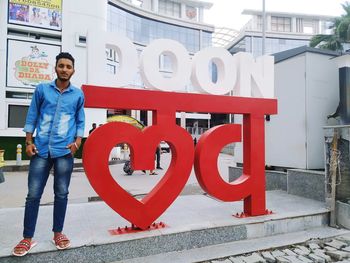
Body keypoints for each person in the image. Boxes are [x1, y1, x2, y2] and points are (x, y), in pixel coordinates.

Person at [12, 52, 85, 257]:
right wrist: (28, 141)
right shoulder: (42, 89)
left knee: (61, 193)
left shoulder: (78, 94)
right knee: (33, 194)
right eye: (61, 65)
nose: (64, 69)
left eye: (68, 66)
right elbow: (32, 114)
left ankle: (58, 233)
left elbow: (80, 120)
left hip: (64, 151)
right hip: (41, 149)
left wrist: (77, 142)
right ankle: (27, 238)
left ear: (73, 70)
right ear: (55, 68)